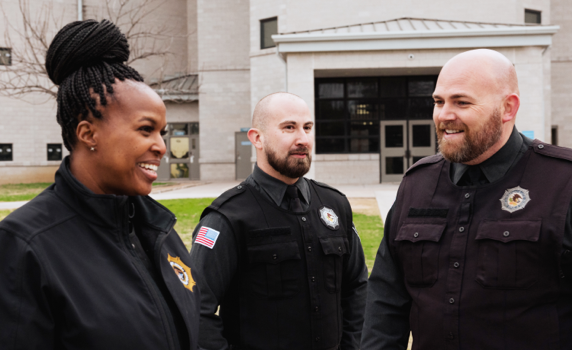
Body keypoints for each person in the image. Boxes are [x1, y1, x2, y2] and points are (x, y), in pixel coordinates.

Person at [0, 20, 199, 350]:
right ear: (88, 134)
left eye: (162, 133)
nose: (161, 146)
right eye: (146, 129)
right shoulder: (25, 245)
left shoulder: (160, 230)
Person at [361, 48, 572, 350]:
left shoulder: (562, 182)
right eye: (438, 101)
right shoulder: (417, 184)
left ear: (507, 108)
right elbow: (385, 301)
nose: (444, 115)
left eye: (461, 102)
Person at [189, 92, 368, 350]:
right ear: (257, 138)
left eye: (307, 128)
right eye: (289, 128)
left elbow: (358, 288)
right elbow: (195, 308)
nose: (303, 139)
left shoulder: (335, 205)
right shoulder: (227, 217)